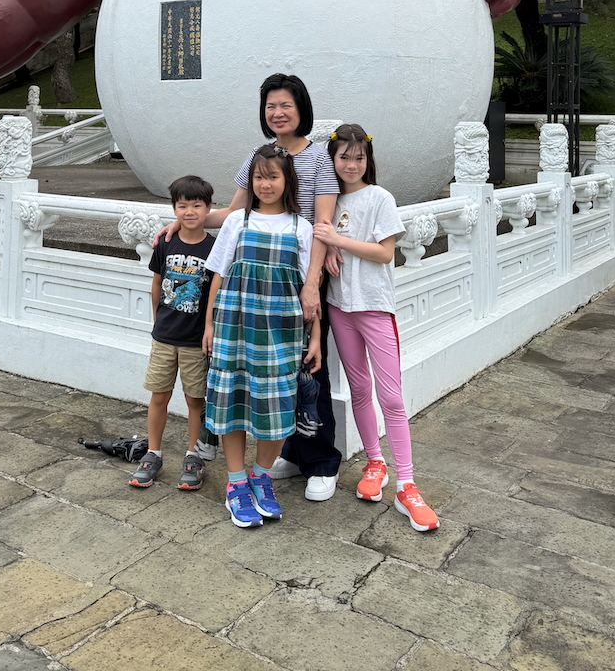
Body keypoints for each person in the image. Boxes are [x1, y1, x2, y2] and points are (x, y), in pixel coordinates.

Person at [156, 72, 342, 500]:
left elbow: (322, 224)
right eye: (270, 106)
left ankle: (320, 461)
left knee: (304, 372)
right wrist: (187, 220)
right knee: (258, 375)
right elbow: (234, 212)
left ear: (301, 109)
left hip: (297, 272)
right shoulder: (257, 157)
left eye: (286, 105)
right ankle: (282, 459)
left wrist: (312, 283)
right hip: (249, 282)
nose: (278, 113)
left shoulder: (318, 159)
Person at [313, 124, 439, 531]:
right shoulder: (328, 200)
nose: (351, 164)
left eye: (359, 157)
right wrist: (327, 247)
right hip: (339, 308)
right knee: (359, 389)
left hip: (375, 308)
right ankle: (374, 462)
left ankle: (407, 484)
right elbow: (319, 237)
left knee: (392, 397)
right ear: (332, 159)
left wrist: (337, 241)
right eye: (343, 157)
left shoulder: (380, 198)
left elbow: (385, 253)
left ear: (368, 160)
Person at [203, 144, 321, 527]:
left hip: (282, 333)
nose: (264, 184)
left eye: (272, 177)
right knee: (233, 405)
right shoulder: (237, 222)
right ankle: (236, 483)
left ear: (287, 181)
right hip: (234, 328)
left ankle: (261, 476)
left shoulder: (301, 228)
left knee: (277, 406)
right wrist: (209, 325)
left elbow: (311, 290)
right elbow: (218, 275)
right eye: (258, 177)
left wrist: (316, 338)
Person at [130, 175, 215, 491]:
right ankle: (153, 453)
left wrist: (209, 329)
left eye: (196, 205)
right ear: (174, 208)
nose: (189, 212)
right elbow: (156, 284)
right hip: (164, 337)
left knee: (195, 400)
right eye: (182, 206)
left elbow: (215, 293)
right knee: (159, 396)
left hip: (195, 340)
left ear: (208, 208)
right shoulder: (166, 242)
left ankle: (194, 455)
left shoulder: (213, 247)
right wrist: (158, 322)